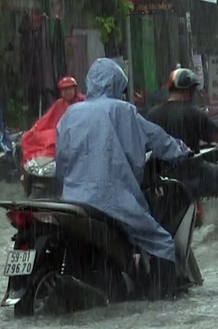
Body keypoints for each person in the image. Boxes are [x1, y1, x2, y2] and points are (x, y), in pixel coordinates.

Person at [56, 58, 201, 300]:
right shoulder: (122, 110)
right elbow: (158, 139)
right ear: (115, 85)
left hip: (72, 200)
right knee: (163, 243)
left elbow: (60, 162)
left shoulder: (70, 115)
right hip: (111, 199)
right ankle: (164, 305)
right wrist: (183, 151)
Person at [145, 67, 218, 217]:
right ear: (189, 90)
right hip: (191, 173)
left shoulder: (152, 115)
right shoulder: (194, 113)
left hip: (160, 177)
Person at [20, 76, 85, 169]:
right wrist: (34, 129)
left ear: (75, 89)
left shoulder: (84, 103)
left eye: (69, 88)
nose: (66, 92)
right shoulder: (59, 103)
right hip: (59, 133)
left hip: (76, 135)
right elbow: (46, 119)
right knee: (28, 137)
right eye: (64, 89)